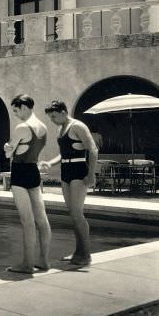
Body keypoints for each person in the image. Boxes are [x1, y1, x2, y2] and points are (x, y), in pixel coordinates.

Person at [40, 100, 98, 266]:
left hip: (79, 170)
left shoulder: (78, 126)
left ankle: (85, 255)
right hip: (66, 170)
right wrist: (50, 163)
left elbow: (93, 150)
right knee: (72, 214)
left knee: (77, 213)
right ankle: (78, 252)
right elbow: (63, 154)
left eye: (54, 116)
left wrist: (91, 174)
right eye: (50, 117)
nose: (52, 120)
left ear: (64, 112)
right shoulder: (61, 128)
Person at [3, 94, 51, 274]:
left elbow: (9, 154)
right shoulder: (43, 128)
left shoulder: (22, 127)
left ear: (24, 107)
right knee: (42, 219)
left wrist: (6, 148)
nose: (15, 114)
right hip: (34, 171)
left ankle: (27, 264)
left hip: (20, 173)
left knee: (27, 221)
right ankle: (44, 261)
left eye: (16, 110)